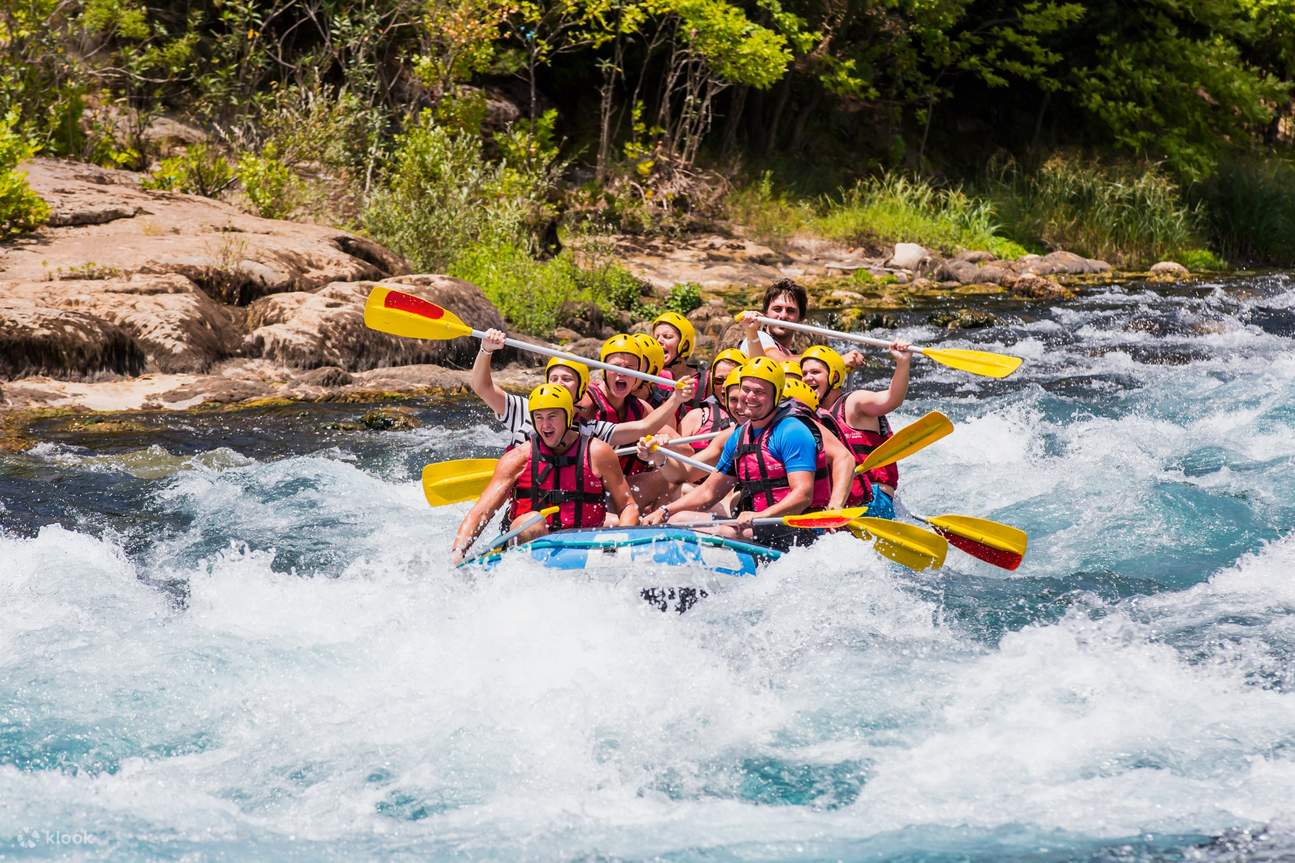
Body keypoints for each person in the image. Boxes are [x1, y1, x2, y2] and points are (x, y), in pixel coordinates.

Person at [641, 358, 852, 551]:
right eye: (746, 389)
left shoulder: (791, 431)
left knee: (733, 531)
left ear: (776, 395)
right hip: (760, 526)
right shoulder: (739, 436)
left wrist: (760, 516)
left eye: (759, 392)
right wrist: (665, 511)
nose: (750, 397)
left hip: (797, 528)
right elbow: (708, 492)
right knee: (679, 519)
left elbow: (802, 495)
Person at [449, 384, 640, 563]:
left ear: (568, 416)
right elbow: (482, 511)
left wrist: (622, 544)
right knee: (534, 521)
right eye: (539, 417)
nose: (545, 425)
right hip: (528, 545)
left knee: (615, 523)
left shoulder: (598, 453)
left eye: (552, 416)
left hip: (584, 546)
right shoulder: (517, 458)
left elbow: (627, 506)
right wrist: (459, 551)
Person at [468, 328, 694, 448]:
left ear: (580, 389)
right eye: (553, 378)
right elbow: (482, 387)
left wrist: (675, 399)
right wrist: (486, 350)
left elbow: (643, 427)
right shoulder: (524, 410)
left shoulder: (589, 429)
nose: (558, 384)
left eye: (566, 379)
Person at [799, 341, 911, 519]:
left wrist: (902, 363)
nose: (807, 378)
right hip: (838, 503)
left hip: (874, 500)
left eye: (815, 372)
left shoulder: (853, 403)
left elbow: (891, 399)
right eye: (804, 373)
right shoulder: (812, 415)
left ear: (834, 377)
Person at [676, 348, 745, 452]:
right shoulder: (696, 417)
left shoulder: (758, 418)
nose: (724, 386)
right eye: (719, 380)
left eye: (731, 379)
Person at [739, 278, 808, 361]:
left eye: (790, 311)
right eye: (777, 309)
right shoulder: (757, 337)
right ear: (765, 313)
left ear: (801, 317)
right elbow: (779, 361)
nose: (783, 316)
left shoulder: (790, 353)